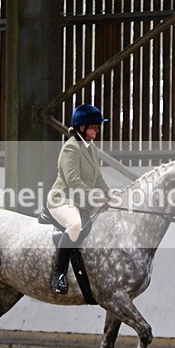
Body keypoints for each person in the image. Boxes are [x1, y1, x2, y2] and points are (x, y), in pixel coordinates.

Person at [47, 103, 110, 294]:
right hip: (62, 199)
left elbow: (98, 177)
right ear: (82, 127)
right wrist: (96, 196)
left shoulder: (91, 148)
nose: (97, 130)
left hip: (82, 200)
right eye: (94, 127)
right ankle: (58, 274)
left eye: (98, 127)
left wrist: (108, 194)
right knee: (75, 224)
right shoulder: (71, 148)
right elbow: (73, 181)